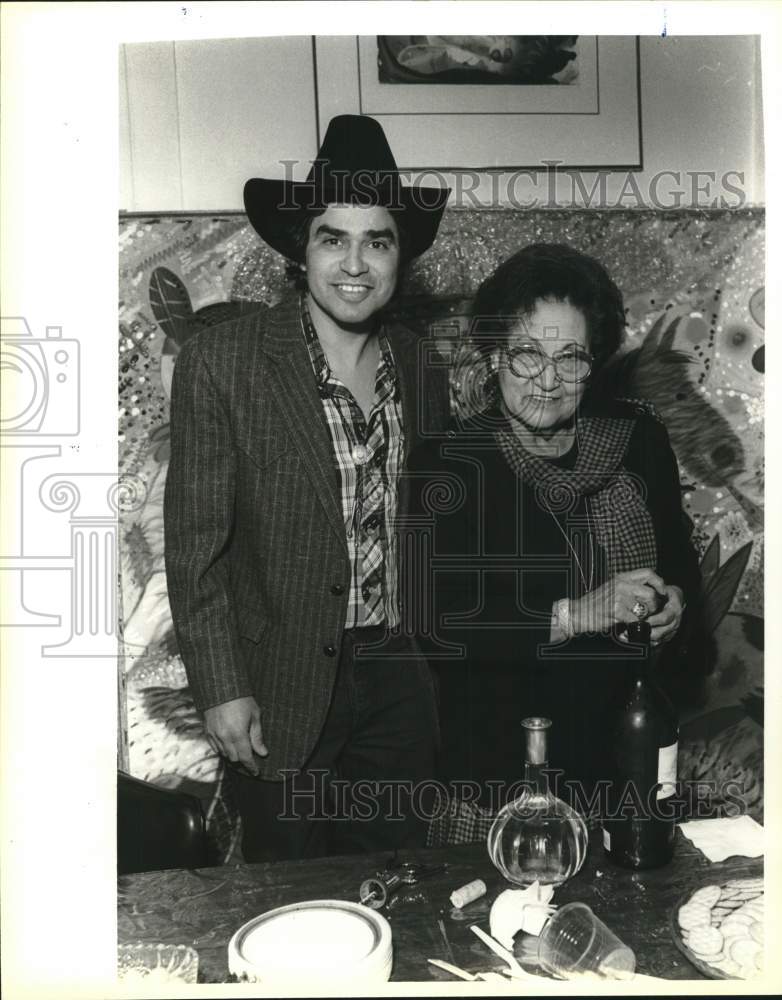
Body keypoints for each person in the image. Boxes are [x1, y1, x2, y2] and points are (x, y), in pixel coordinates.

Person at [163, 115, 451, 861]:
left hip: (397, 682)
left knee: (398, 881)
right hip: (279, 687)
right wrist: (221, 687)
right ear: (301, 249)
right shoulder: (222, 363)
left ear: (400, 256)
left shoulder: (421, 366)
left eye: (377, 241)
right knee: (290, 892)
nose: (354, 263)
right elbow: (194, 553)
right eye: (333, 238)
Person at [404, 243, 700, 834]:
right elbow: (439, 622)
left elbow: (679, 559)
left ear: (594, 362)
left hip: (622, 762)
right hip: (498, 776)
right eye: (527, 355)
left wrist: (675, 602)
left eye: (570, 358)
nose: (548, 380)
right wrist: (579, 613)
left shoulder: (637, 440)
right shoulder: (449, 463)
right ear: (494, 355)